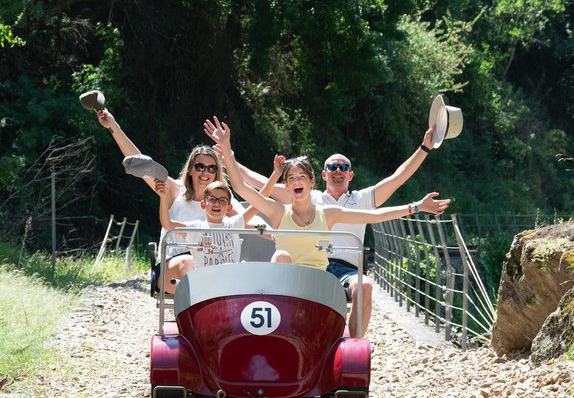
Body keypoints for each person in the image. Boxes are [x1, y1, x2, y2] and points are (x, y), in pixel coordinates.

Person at [206, 119, 449, 338]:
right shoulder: (297, 202)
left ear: (350, 174)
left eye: (343, 167)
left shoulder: (354, 202)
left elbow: (393, 185)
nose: (338, 171)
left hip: (340, 268)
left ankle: (354, 343)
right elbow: (249, 183)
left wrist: (423, 153)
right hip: (299, 265)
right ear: (322, 175)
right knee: (281, 256)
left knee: (364, 285)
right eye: (332, 167)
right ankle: (279, 329)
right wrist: (227, 153)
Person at [95, 109, 247, 296]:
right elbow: (140, 162)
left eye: (211, 168)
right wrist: (113, 126)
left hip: (212, 268)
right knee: (190, 263)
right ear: (190, 169)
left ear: (216, 172)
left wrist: (268, 230)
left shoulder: (222, 200)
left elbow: (248, 215)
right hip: (174, 267)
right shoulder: (174, 190)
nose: (205, 172)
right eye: (200, 166)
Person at [155, 161, 283, 293]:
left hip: (228, 281)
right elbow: (168, 224)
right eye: (212, 199)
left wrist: (275, 175)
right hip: (205, 283)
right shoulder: (196, 228)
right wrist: (163, 198)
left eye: (222, 200)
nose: (217, 204)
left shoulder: (233, 224)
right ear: (204, 205)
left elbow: (259, 201)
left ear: (229, 207)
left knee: (247, 270)